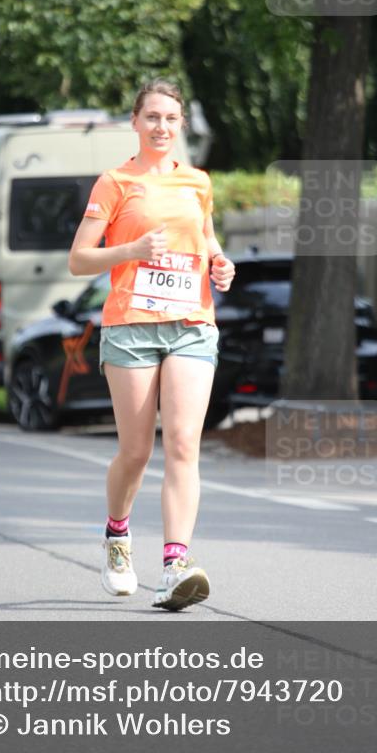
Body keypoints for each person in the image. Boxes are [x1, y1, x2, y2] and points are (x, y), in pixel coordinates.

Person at [69, 79, 235, 611]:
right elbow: (79, 259)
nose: (162, 127)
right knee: (137, 451)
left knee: (184, 443)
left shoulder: (198, 183)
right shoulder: (114, 183)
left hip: (191, 322)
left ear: (181, 124)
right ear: (135, 123)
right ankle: (117, 536)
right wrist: (133, 248)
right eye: (152, 118)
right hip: (132, 327)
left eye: (171, 118)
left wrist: (220, 262)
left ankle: (174, 565)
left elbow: (205, 239)